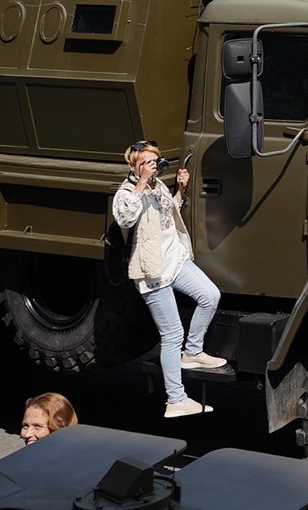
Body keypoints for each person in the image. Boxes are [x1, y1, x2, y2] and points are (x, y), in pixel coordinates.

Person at [111, 140, 222, 418]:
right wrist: (141, 184)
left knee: (210, 295)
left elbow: (166, 213)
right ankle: (176, 399)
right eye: (146, 163)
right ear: (132, 165)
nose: (153, 167)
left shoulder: (158, 186)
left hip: (176, 260)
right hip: (152, 272)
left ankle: (193, 352)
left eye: (155, 162)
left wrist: (180, 190)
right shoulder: (126, 193)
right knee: (172, 335)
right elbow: (125, 218)